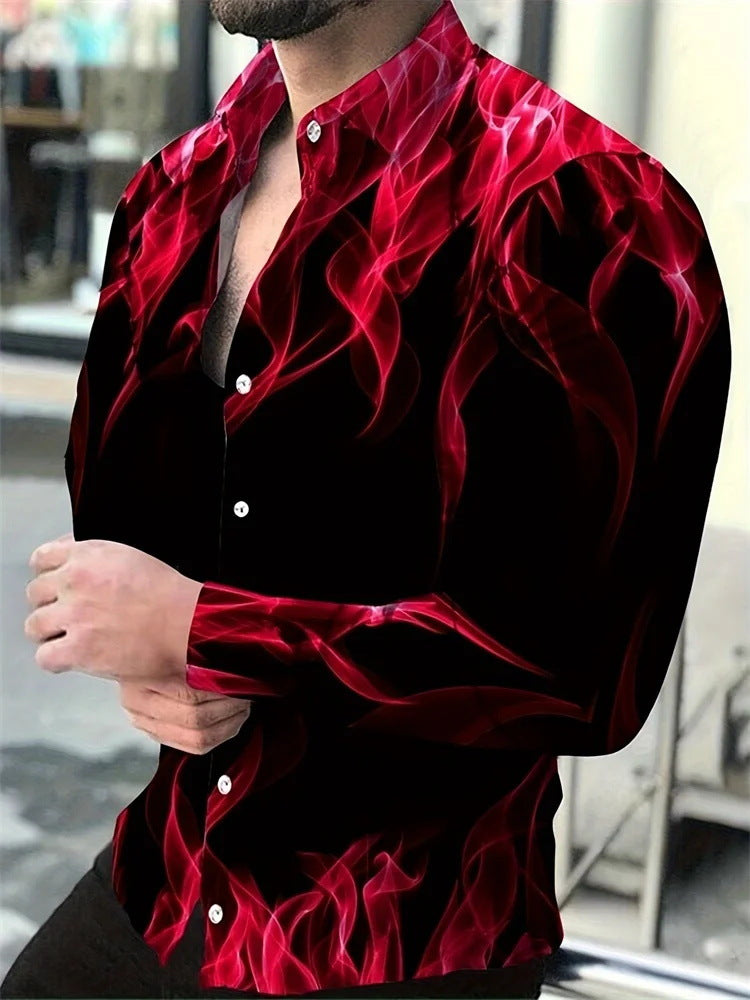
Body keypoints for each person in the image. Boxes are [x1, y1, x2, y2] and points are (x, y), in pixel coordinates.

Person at [4, 0, 731, 997]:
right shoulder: (169, 197)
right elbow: (130, 551)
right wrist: (164, 662)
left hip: (403, 942)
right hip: (167, 881)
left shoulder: (590, 210)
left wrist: (205, 631)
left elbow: (581, 668)